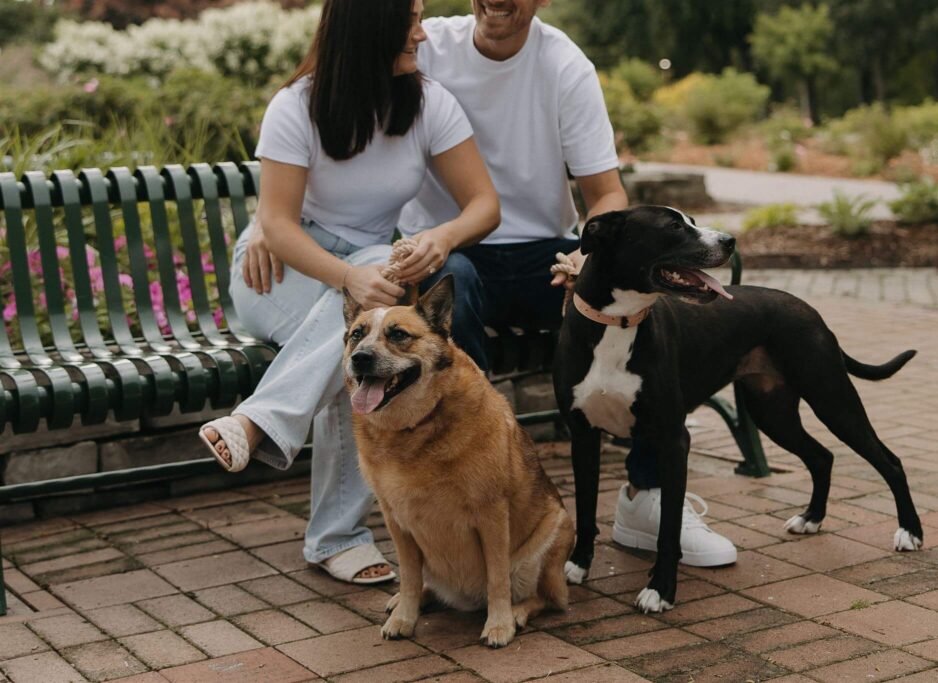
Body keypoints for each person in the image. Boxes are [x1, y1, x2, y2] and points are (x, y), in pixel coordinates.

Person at [400, 0, 737, 568]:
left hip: (543, 255)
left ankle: (645, 496)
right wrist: (273, 221)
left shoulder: (564, 65)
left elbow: (606, 194)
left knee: (638, 298)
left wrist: (583, 257)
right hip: (450, 250)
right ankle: (464, 501)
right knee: (449, 289)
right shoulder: (426, 44)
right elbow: (334, 83)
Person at [198, 0, 500, 584]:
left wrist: (441, 236)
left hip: (367, 273)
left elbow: (484, 205)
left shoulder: (430, 102)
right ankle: (336, 536)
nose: (423, 31)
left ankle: (257, 425)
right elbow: (279, 226)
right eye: (410, 18)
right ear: (369, 28)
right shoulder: (297, 106)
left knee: (362, 344)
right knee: (365, 328)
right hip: (280, 272)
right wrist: (343, 275)